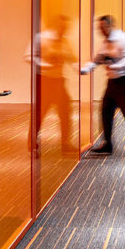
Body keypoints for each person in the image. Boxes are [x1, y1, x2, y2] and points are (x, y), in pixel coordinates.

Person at [80, 15, 125, 160]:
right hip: (112, 83)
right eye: (99, 28)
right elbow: (97, 60)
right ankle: (108, 144)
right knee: (105, 112)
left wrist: (115, 64)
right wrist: (86, 69)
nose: (101, 30)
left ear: (109, 26)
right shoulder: (105, 43)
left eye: (103, 27)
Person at [25, 14, 76, 155]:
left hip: (59, 81)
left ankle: (66, 143)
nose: (65, 29)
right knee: (39, 114)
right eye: (62, 26)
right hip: (43, 80)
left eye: (66, 27)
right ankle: (32, 145)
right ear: (55, 25)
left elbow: (71, 58)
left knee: (65, 111)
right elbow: (29, 56)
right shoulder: (40, 38)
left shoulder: (64, 41)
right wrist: (44, 64)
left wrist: (80, 68)